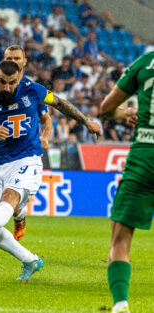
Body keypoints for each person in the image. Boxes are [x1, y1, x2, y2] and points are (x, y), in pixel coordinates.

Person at [0, 60, 101, 280]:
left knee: (8, 199)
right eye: (2, 82)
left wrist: (86, 121)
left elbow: (60, 103)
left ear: (20, 78)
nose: (7, 87)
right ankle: (30, 260)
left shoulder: (33, 90)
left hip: (27, 160)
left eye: (12, 83)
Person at [0, 45, 53, 259]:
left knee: (12, 201)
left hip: (23, 153)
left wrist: (45, 137)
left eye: (17, 58)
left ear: (24, 62)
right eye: (9, 58)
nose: (14, 61)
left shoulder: (32, 90)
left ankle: (18, 217)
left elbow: (46, 118)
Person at [99, 51, 153, 313]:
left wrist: (128, 114)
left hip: (145, 154)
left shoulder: (145, 63)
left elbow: (106, 108)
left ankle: (121, 305)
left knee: (119, 241)